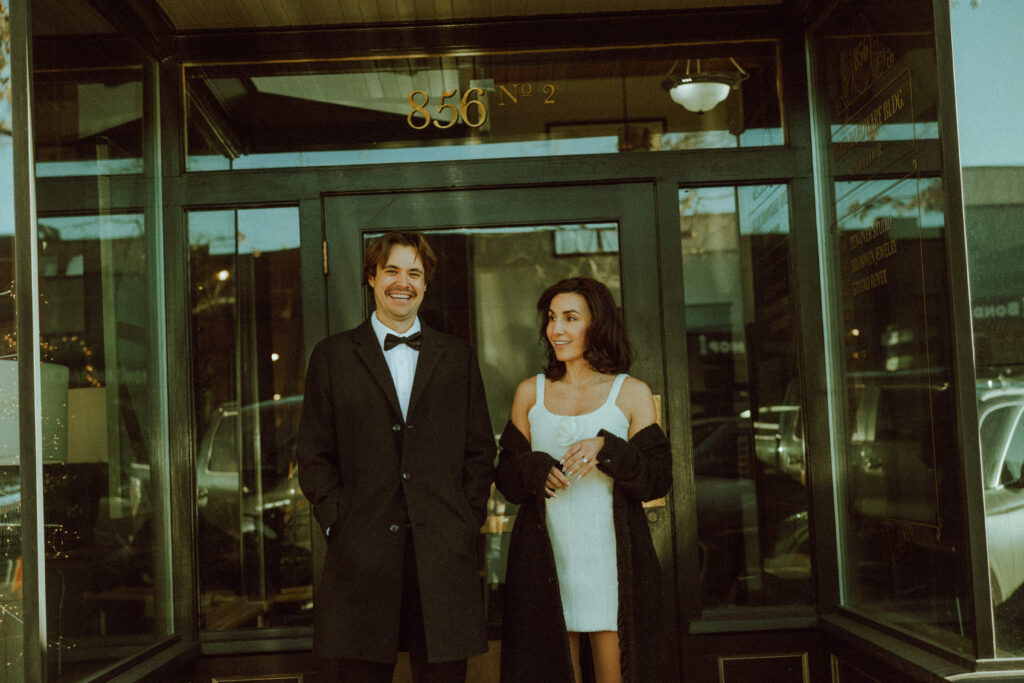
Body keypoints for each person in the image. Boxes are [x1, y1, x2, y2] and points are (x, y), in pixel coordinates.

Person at [297, 231, 495, 682]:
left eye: (414, 273)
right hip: (361, 552)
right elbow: (313, 453)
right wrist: (336, 520)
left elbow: (480, 450)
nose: (402, 282)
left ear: (425, 285)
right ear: (371, 278)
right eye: (391, 271)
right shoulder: (331, 357)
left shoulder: (458, 357)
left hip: (442, 551)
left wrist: (465, 520)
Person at [496, 277, 672, 683]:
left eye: (570, 318)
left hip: (610, 562)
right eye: (552, 318)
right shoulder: (530, 393)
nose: (556, 329)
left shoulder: (630, 393)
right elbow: (506, 477)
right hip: (547, 559)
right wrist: (536, 466)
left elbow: (657, 479)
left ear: (598, 324)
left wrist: (605, 448)